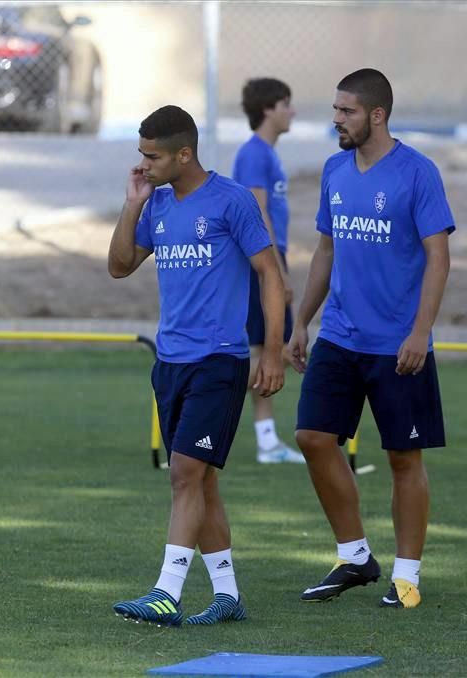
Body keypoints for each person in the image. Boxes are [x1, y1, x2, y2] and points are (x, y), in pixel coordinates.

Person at [108, 105, 286, 626]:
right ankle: (228, 595)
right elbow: (119, 267)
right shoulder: (157, 204)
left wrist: (270, 351)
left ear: (185, 153)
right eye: (140, 155)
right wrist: (132, 203)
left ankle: (167, 592)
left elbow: (270, 275)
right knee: (200, 481)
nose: (144, 165)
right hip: (170, 363)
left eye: (153, 156)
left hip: (218, 362)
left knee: (185, 473)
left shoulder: (232, 201)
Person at [289, 68, 454, 610]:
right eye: (335, 110)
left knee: (403, 459)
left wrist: (421, 331)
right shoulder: (336, 170)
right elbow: (326, 251)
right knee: (313, 437)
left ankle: (406, 576)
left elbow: (438, 256)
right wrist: (300, 322)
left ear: (376, 115)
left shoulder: (417, 173)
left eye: (346, 111)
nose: (336, 120)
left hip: (398, 344)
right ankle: (355, 555)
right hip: (340, 334)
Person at [233, 77, 306, 464]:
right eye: (286, 103)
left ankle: (267, 444)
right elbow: (256, 212)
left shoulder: (269, 154)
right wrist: (277, 272)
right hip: (261, 263)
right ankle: (201, 395)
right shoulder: (254, 155)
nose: (292, 111)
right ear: (268, 109)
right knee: (267, 355)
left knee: (267, 352)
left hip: (271, 259)